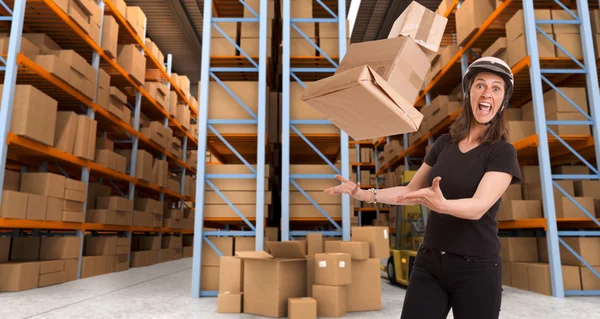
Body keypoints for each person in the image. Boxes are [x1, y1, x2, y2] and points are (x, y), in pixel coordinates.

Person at [324, 56, 521, 319]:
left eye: (496, 88)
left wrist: (443, 205)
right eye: (480, 85)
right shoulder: (444, 144)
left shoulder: (502, 152)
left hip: (477, 267)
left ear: (503, 100)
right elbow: (410, 192)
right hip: (430, 262)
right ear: (468, 92)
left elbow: (478, 207)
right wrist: (363, 193)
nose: (487, 93)